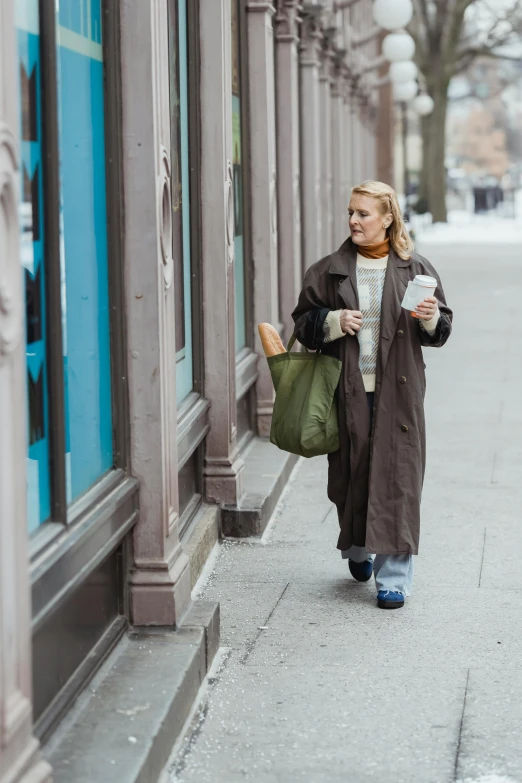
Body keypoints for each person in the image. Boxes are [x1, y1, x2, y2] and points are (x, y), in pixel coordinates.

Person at [292, 181, 453, 609]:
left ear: (388, 219)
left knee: (399, 476)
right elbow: (302, 324)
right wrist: (331, 321)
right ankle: (358, 547)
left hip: (399, 393)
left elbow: (440, 332)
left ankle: (394, 579)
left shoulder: (416, 268)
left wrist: (432, 318)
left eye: (364, 213)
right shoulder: (329, 270)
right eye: (351, 212)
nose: (354, 221)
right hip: (347, 392)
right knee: (353, 473)